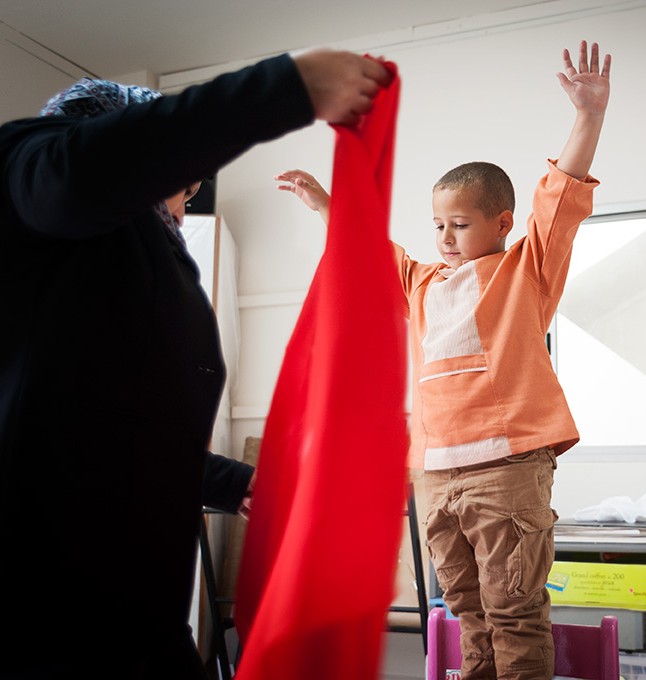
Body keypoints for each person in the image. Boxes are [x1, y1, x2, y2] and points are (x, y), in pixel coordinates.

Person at [0, 50, 391, 678]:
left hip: (129, 596)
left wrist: (238, 484)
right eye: (182, 187)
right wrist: (285, 88)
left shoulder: (124, 252)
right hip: (49, 598)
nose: (183, 212)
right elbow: (76, 178)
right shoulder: (31, 157)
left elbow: (114, 431)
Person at [275, 40, 610, 680]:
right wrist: (324, 202)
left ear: (500, 223)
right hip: (435, 474)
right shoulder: (422, 282)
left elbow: (558, 202)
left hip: (506, 468)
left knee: (513, 611)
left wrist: (588, 115)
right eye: (437, 225)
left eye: (459, 224)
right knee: (466, 609)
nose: (445, 238)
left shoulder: (523, 272)